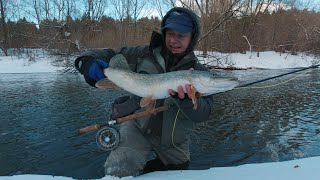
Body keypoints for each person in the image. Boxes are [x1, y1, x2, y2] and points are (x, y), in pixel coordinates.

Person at [74, 7, 214, 177]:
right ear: (164, 33)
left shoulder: (198, 72)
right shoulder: (142, 54)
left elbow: (203, 114)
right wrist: (85, 62)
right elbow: (107, 54)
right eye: (170, 34)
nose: (174, 40)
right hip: (137, 129)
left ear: (192, 37)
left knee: (179, 174)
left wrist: (186, 100)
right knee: (118, 170)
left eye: (182, 35)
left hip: (173, 142)